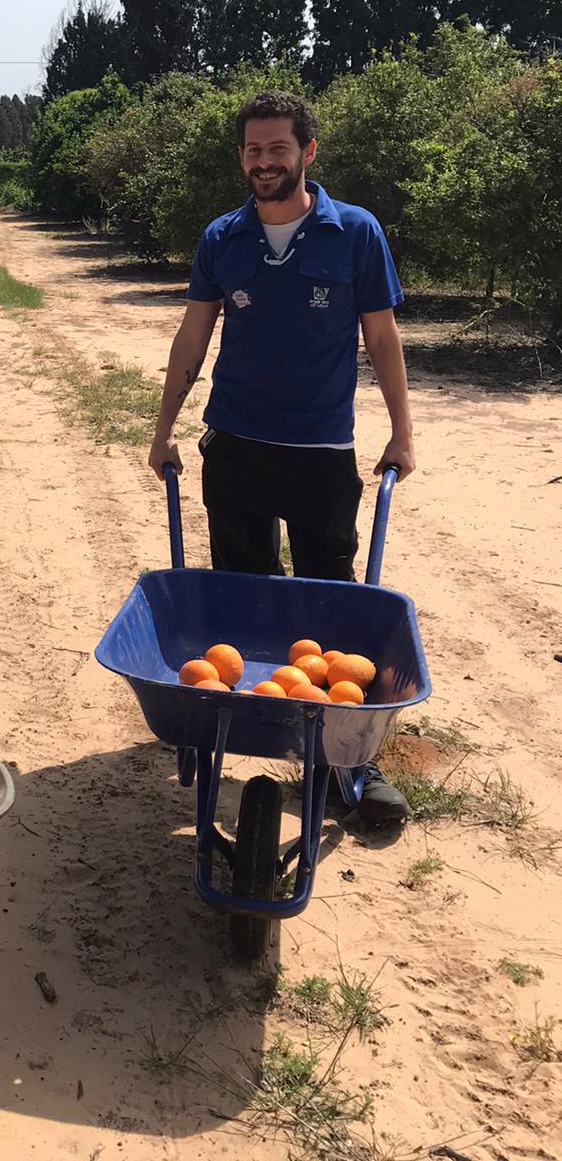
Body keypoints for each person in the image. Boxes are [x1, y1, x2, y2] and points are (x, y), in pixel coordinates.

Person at [148, 90, 415, 824]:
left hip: (321, 453)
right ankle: (243, 728)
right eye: (253, 150)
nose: (264, 162)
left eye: (277, 148)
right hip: (235, 448)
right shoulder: (221, 239)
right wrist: (164, 427)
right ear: (242, 157)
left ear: (307, 152)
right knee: (241, 594)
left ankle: (344, 764)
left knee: (332, 598)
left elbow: (382, 339)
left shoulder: (354, 233)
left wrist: (403, 430)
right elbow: (192, 339)